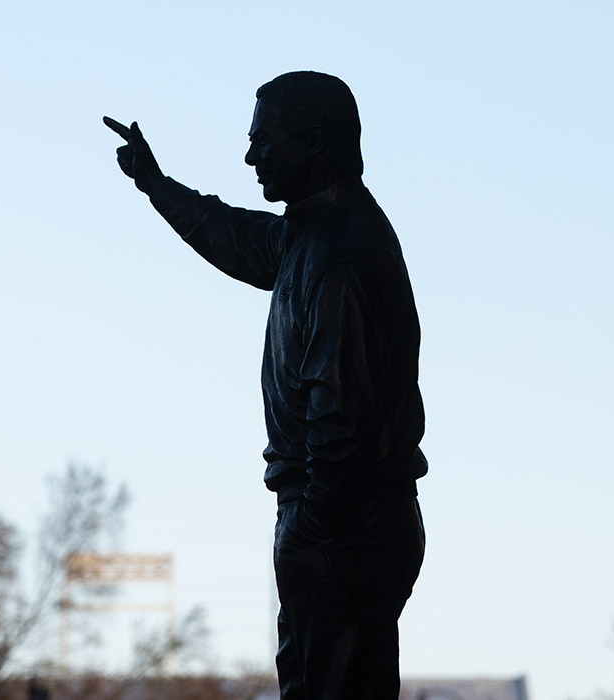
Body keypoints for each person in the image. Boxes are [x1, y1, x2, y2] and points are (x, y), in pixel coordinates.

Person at [105, 70, 427, 700]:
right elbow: (238, 237)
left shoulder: (341, 254)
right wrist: (156, 185)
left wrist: (310, 527)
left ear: (312, 142)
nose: (250, 155)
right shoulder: (311, 232)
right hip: (339, 519)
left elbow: (345, 419)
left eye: (263, 140)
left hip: (342, 522)